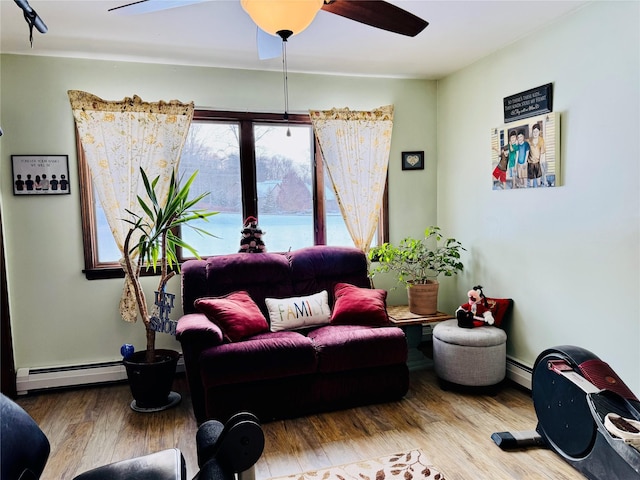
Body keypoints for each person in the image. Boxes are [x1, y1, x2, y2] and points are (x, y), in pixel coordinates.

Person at [528, 123, 545, 187]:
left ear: (539, 132)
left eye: (537, 131)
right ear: (532, 132)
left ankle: (539, 187)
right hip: (530, 162)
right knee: (531, 178)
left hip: (537, 162)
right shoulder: (529, 140)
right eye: (534, 131)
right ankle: (531, 187)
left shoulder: (541, 140)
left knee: (538, 178)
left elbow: (542, 152)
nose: (535, 133)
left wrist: (541, 161)